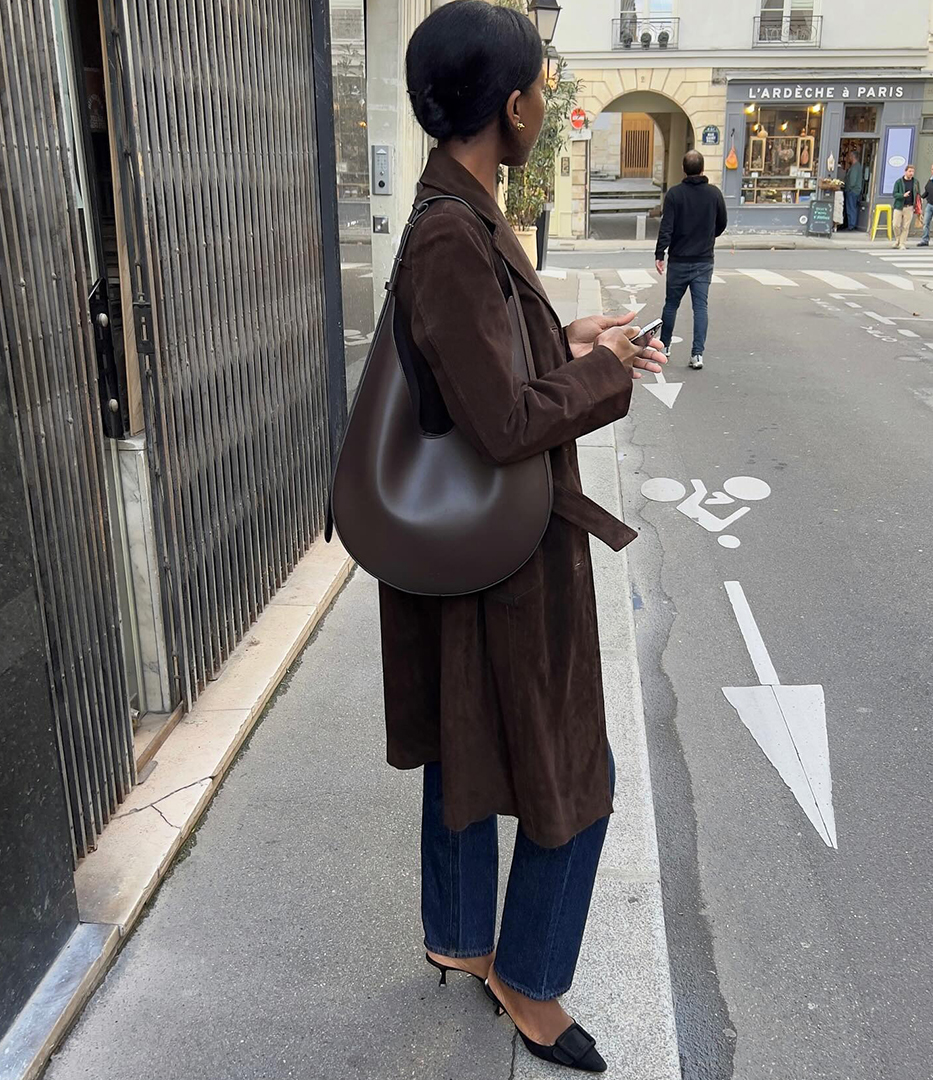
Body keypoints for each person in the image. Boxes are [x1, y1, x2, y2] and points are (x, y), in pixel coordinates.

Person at [392, 2, 666, 1072]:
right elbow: (502, 422)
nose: (548, 105)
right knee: (572, 767)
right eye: (542, 88)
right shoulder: (454, 234)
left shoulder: (459, 213)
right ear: (510, 107)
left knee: (468, 736)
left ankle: (460, 936)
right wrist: (602, 377)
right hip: (506, 557)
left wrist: (571, 336)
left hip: (480, 546)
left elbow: (484, 373)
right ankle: (530, 976)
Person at [655, 148, 727, 370]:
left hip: (678, 260)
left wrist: (660, 254)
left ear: (683, 169)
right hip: (704, 260)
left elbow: (667, 226)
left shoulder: (675, 195)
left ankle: (664, 346)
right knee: (700, 308)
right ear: (702, 169)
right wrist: (707, 237)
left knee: (671, 304)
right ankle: (697, 354)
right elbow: (722, 223)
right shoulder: (714, 194)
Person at [890, 164, 921, 249]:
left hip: (909, 206)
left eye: (912, 171)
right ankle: (897, 239)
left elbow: (918, 194)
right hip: (899, 206)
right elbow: (894, 194)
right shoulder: (899, 182)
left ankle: (902, 243)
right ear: (905, 172)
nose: (911, 173)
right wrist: (902, 195)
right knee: (895, 225)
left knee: (906, 226)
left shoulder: (915, 182)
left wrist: (918, 205)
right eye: (909, 171)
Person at [842, 150, 867, 232]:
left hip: (852, 191)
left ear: (853, 157)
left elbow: (852, 182)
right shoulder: (857, 166)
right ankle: (851, 224)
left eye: (849, 156)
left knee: (851, 208)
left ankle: (851, 226)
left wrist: (846, 187)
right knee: (852, 208)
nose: (848, 158)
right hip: (855, 191)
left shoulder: (855, 167)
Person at [918, 163, 933, 247]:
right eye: (932, 169)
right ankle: (925, 240)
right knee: (925, 223)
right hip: (929, 204)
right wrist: (921, 197)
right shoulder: (931, 179)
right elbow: (927, 191)